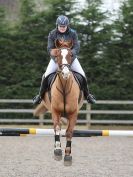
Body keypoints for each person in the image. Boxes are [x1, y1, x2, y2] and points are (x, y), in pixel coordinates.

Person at [33, 15, 96, 105]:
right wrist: (56, 58)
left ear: (67, 26)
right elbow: (49, 49)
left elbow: (77, 47)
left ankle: (88, 95)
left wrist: (69, 55)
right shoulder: (52, 34)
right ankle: (40, 96)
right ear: (57, 25)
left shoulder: (73, 33)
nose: (62, 28)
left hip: (71, 59)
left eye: (64, 26)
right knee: (46, 75)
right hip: (57, 59)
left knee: (82, 74)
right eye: (60, 26)